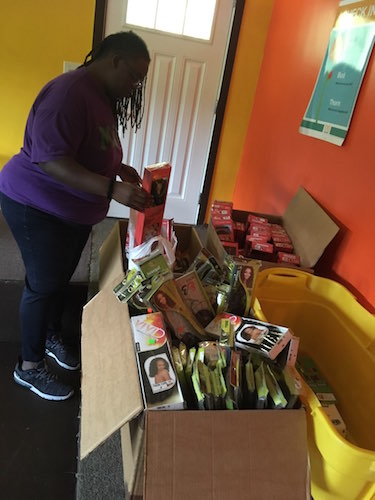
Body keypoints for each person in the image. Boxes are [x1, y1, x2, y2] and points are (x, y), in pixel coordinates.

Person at [0, 31, 153, 401]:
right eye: (134, 75)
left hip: (71, 210)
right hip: (36, 205)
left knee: (58, 278)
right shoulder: (68, 93)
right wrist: (110, 189)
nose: (135, 86)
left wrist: (119, 169)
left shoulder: (101, 96)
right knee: (42, 284)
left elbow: (90, 147)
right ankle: (29, 366)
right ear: (114, 60)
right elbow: (51, 159)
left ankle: (50, 336)